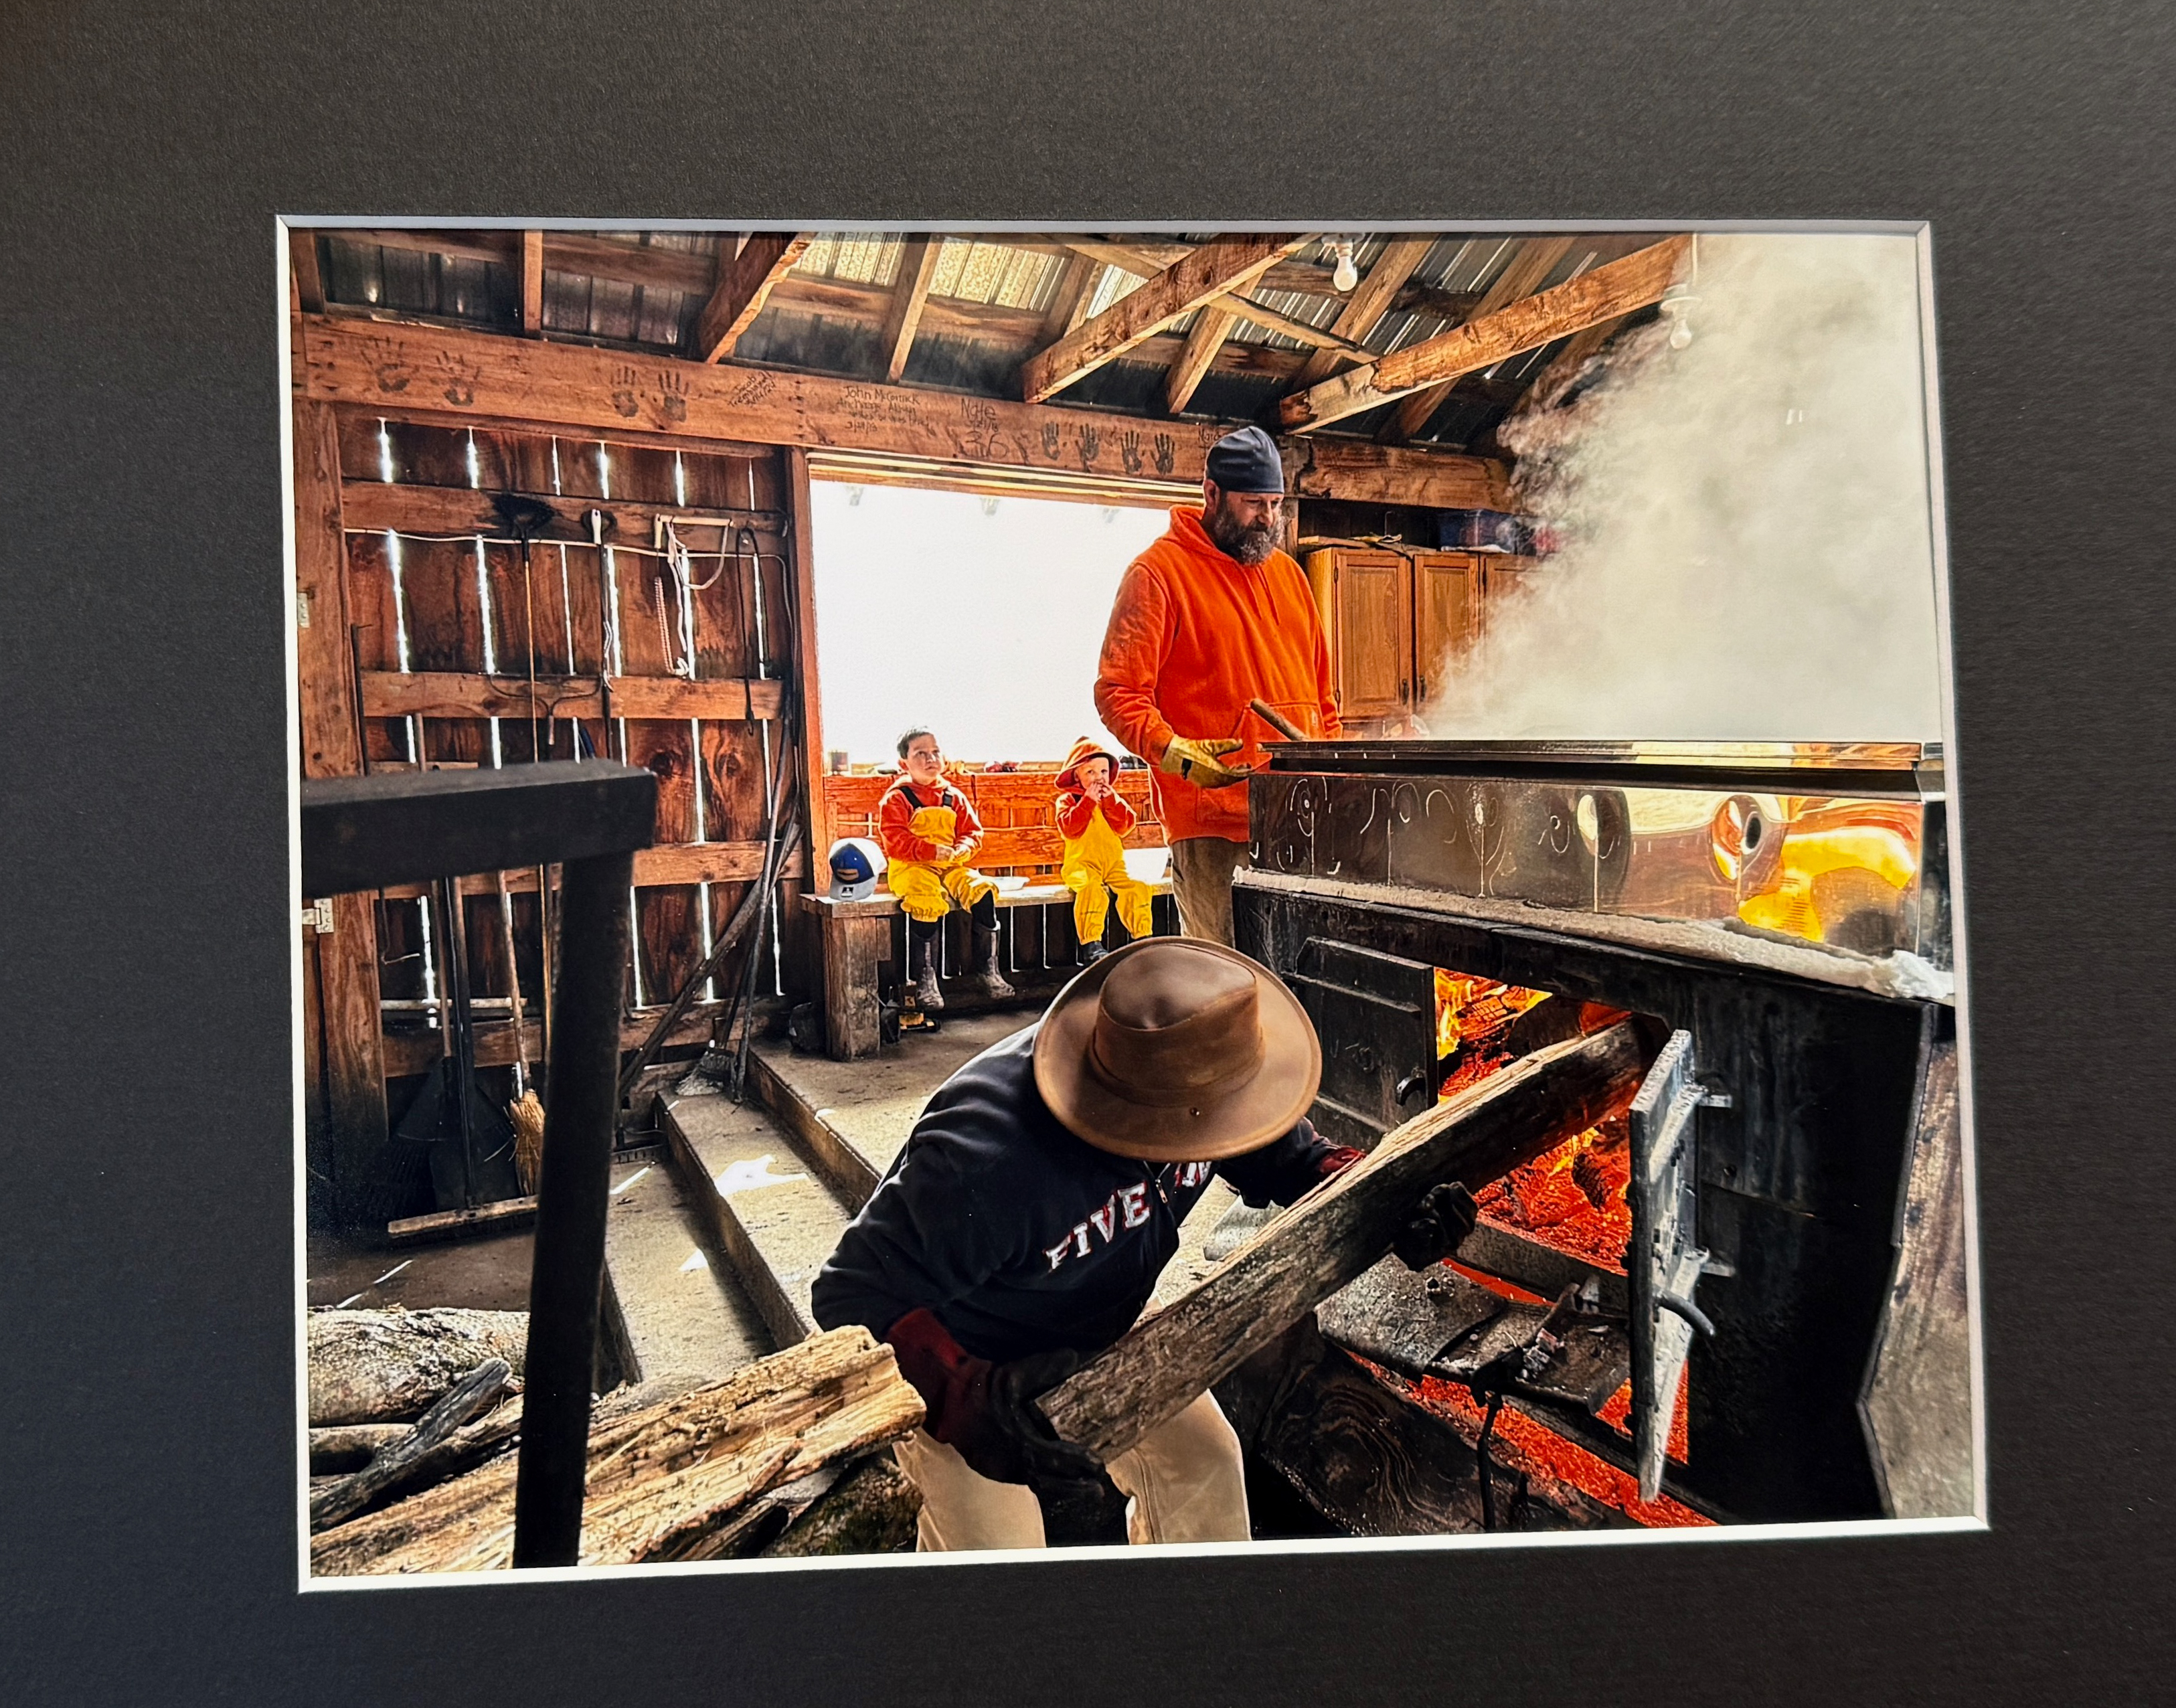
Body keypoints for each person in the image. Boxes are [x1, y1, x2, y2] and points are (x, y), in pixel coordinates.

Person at [809, 936, 1477, 1551]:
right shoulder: (986, 1158)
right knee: (998, 1574)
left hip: (1105, 1325)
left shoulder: (1202, 1073)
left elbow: (1292, 1158)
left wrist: (1387, 1198)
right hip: (973, 1356)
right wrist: (968, 1399)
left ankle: (1187, 1634)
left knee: (1205, 1463)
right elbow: (851, 1294)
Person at [1094, 424, 1341, 946]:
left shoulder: (1290, 576)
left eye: (1274, 504)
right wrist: (1173, 753)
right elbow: (1118, 693)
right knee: (1227, 979)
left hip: (1301, 818)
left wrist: (1335, 775)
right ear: (1211, 494)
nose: (1267, 518)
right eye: (1253, 504)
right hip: (1214, 827)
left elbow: (1323, 697)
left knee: (1304, 976)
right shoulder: (1156, 574)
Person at [876, 727, 1014, 1010]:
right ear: (904, 763)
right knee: (926, 900)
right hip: (912, 867)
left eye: (935, 752)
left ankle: (987, 971)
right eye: (921, 753)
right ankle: (926, 980)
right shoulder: (897, 798)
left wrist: (964, 848)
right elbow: (895, 840)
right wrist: (929, 850)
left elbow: (973, 833)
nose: (931, 758)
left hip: (950, 866)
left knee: (983, 890)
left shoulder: (954, 796)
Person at [1052, 736, 1155, 965]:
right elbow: (1070, 829)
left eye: (1104, 772)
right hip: (1081, 865)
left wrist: (1110, 802)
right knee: (1092, 890)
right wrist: (1087, 802)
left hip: (1114, 865)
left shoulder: (1111, 799)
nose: (1099, 778)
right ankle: (1091, 944)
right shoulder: (1068, 800)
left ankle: (1143, 938)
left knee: (1137, 888)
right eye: (1090, 772)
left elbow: (1126, 826)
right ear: (1076, 776)